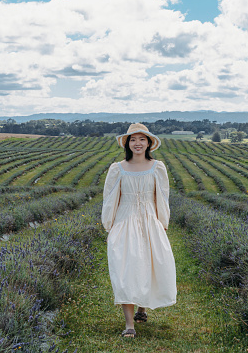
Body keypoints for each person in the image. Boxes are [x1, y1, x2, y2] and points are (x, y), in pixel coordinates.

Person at [101, 123, 177, 338]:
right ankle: (129, 325)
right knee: (126, 269)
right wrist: (110, 224)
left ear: (149, 143)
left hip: (149, 221)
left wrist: (162, 222)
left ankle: (142, 308)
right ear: (127, 143)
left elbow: (162, 196)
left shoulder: (157, 167)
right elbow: (110, 198)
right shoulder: (117, 168)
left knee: (149, 265)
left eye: (142, 139)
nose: (137, 143)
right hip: (125, 221)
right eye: (133, 139)